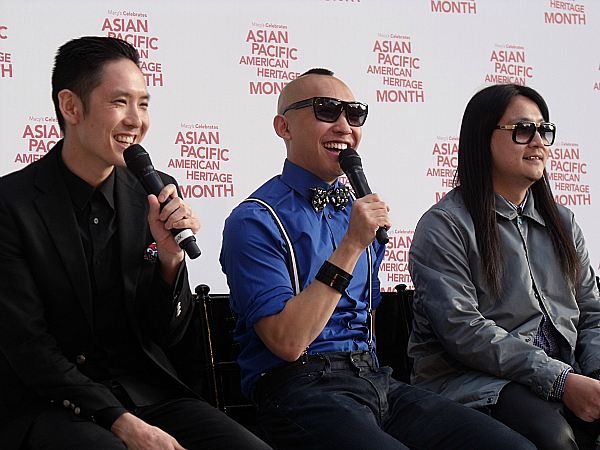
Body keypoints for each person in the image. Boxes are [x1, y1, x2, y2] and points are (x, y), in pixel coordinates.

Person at [220, 69, 535, 449]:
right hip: (297, 387)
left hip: (375, 379)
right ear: (283, 127)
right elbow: (287, 342)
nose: (343, 126)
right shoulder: (254, 219)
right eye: (326, 110)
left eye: (354, 115)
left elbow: (364, 321)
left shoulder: (356, 214)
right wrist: (351, 245)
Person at [0, 36, 269, 450]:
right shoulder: (12, 205)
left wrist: (170, 259)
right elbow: (28, 347)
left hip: (147, 395)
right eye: (120, 102)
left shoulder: (154, 191)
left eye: (143, 104)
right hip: (50, 404)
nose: (136, 120)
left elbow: (168, 333)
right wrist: (122, 424)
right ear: (71, 106)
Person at [408, 83, 600, 449]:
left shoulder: (563, 222)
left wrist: (595, 374)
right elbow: (464, 331)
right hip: (474, 382)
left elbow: (592, 314)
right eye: (523, 130)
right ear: (483, 138)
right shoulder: (445, 225)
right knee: (553, 437)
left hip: (564, 373)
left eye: (544, 131)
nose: (539, 142)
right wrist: (561, 380)